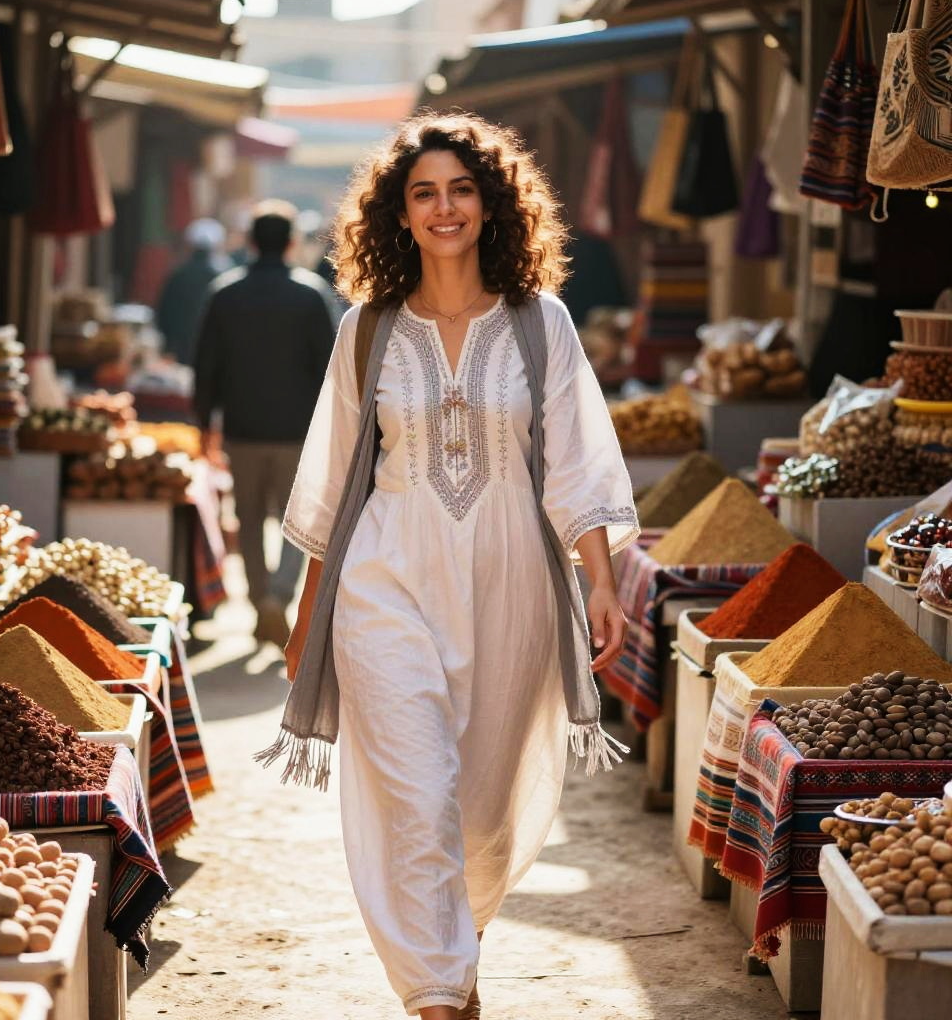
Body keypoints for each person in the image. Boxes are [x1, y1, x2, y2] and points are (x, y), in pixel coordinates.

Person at [261, 113, 638, 1019]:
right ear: (397, 213)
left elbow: (581, 460)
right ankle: (436, 997)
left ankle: (453, 965)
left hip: (511, 591)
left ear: (491, 203)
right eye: (423, 192)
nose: (443, 207)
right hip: (386, 584)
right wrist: (308, 614)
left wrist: (599, 581)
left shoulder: (540, 323)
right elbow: (333, 485)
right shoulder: (368, 329)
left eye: (460, 189)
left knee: (479, 814)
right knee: (418, 796)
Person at [193, 200, 335, 646]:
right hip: (299, 432)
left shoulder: (225, 292)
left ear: (251, 242)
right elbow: (330, 368)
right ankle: (278, 595)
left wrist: (203, 423)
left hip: (242, 427)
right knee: (299, 521)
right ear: (292, 242)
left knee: (249, 518)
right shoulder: (311, 294)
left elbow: (206, 365)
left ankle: (260, 602)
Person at [156, 218, 230, 363]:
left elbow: (164, 312)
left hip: (181, 348)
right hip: (215, 348)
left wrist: (169, 344)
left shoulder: (178, 274)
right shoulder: (222, 277)